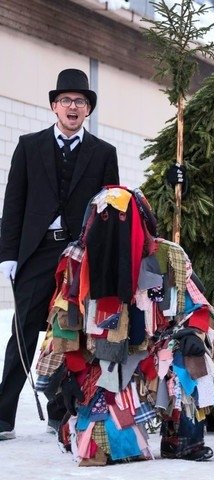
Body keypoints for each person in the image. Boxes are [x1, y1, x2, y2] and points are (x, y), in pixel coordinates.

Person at [33, 186, 214, 464]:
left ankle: (181, 438)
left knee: (191, 357)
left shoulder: (168, 256)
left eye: (124, 219)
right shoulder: (77, 261)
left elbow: (197, 306)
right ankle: (78, 422)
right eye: (104, 219)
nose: (115, 230)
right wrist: (72, 372)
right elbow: (63, 327)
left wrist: (193, 331)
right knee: (105, 450)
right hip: (99, 364)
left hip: (155, 352)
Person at [0, 68, 119, 440]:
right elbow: (13, 202)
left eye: (80, 101)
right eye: (66, 100)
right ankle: (3, 415)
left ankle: (60, 412)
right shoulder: (28, 145)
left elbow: (109, 211)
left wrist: (103, 258)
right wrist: (8, 254)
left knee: (69, 333)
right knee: (23, 331)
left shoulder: (103, 153)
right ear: (54, 106)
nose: (72, 106)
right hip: (35, 253)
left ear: (88, 110)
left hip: (79, 257)